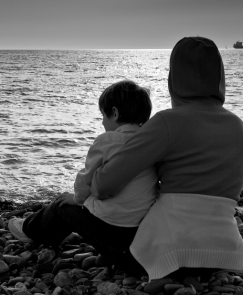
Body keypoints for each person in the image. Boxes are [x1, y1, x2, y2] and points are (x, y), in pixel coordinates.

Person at [90, 37, 243, 280]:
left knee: (63, 207)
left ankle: (31, 231)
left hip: (168, 254)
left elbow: (105, 185)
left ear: (174, 78)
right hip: (222, 254)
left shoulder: (168, 122)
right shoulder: (238, 127)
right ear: (220, 76)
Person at [8, 80, 158, 273]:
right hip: (138, 233)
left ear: (114, 113)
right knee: (80, 206)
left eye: (103, 116)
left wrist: (77, 199)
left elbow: (85, 181)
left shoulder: (107, 141)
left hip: (114, 238)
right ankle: (52, 235)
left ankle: (30, 230)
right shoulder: (151, 143)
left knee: (61, 205)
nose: (103, 122)